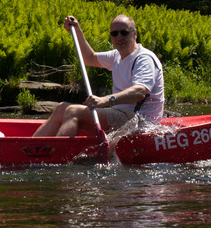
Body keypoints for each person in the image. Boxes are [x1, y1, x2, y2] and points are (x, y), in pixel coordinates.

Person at [33, 13, 165, 138]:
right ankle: (30, 149)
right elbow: (89, 58)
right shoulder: (116, 55)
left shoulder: (144, 59)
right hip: (122, 116)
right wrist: (77, 31)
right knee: (62, 108)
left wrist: (105, 100)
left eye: (124, 32)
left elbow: (139, 91)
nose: (119, 37)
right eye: (114, 33)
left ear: (134, 34)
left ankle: (58, 155)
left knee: (73, 111)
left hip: (139, 121)